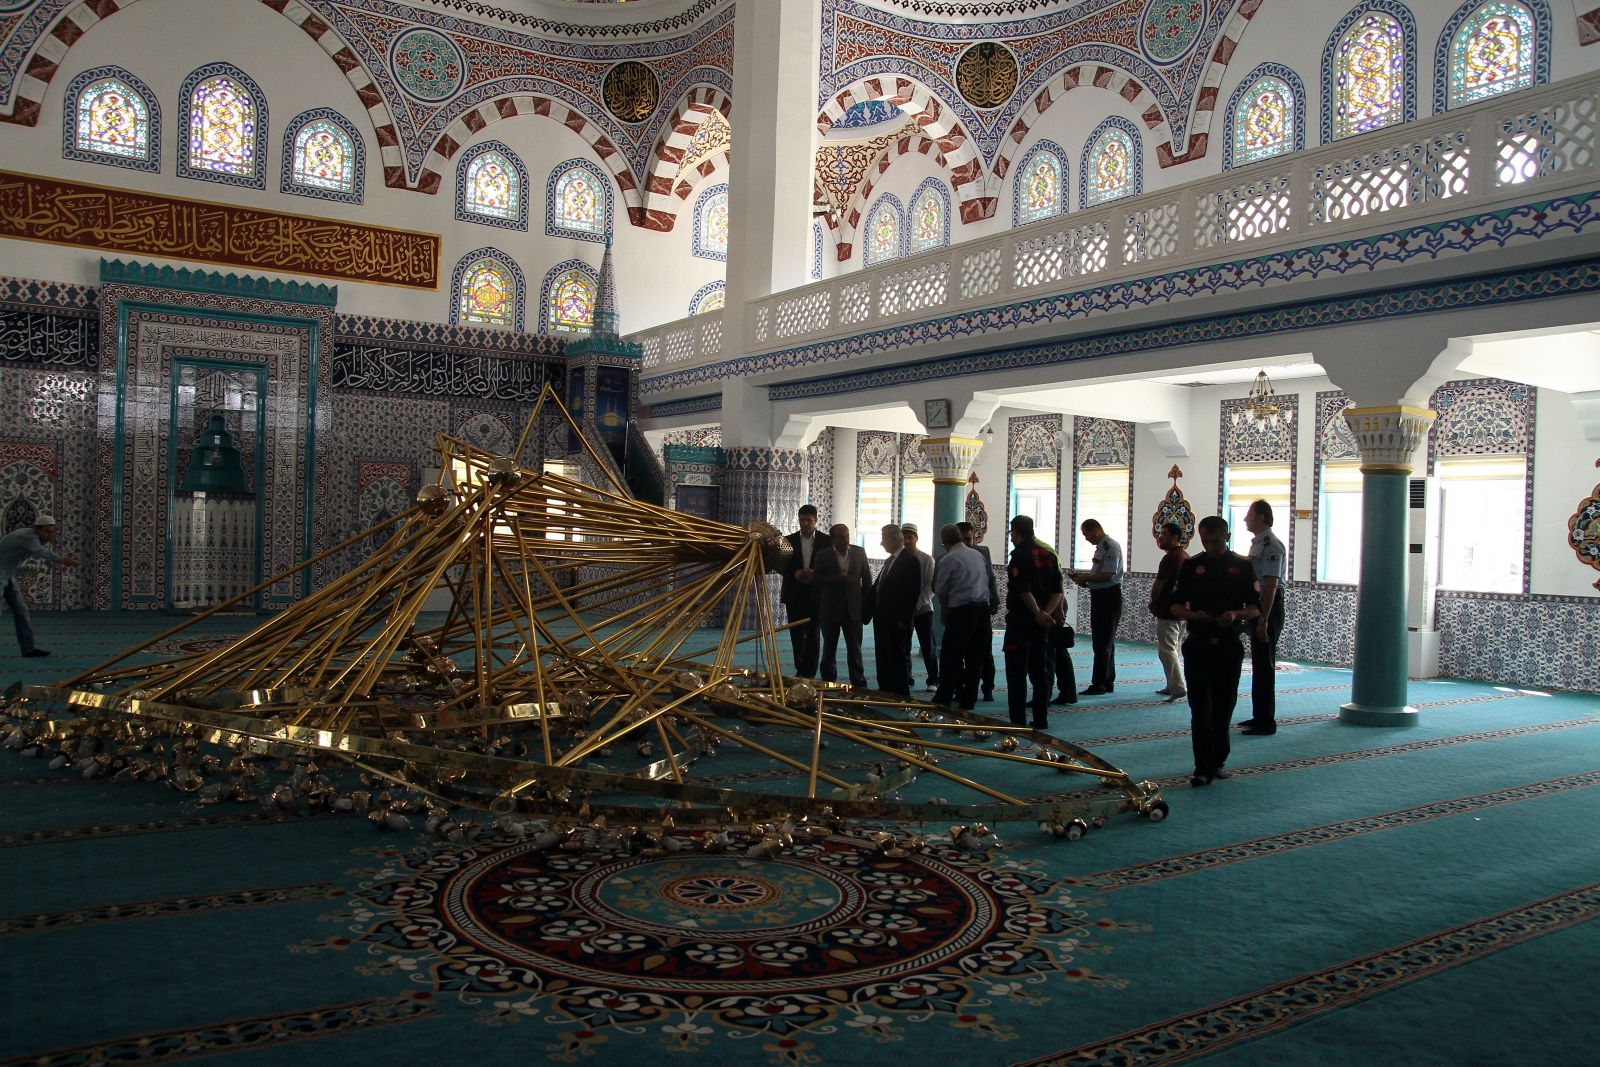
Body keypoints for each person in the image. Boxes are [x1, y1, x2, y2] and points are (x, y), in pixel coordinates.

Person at [1170, 516, 1260, 787]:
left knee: (1223, 706)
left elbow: (1255, 607)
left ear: (1227, 537)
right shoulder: (1192, 565)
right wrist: (1191, 615)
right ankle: (1202, 767)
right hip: (1198, 644)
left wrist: (1236, 614)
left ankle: (1218, 761)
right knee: (1200, 707)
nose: (1210, 546)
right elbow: (1174, 606)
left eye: (1216, 541)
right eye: (1205, 541)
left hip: (1228, 646)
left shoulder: (1242, 566)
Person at [1003, 515, 1063, 730]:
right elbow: (1057, 589)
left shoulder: (1019, 555)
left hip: (1021, 622)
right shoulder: (1047, 553)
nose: (1011, 537)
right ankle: (1040, 718)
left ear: (1016, 532)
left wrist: (1037, 611)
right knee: (1040, 672)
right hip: (1042, 624)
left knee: (1016, 673)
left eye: (1012, 533)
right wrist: (1046, 613)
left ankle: (1017, 721)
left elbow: (1023, 590)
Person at [0, 514, 78, 657]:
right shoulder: (29, 537)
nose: (50, 535)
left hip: (7, 575)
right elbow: (41, 552)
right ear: (37, 528)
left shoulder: (33, 538)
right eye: (47, 531)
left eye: (52, 531)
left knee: (21, 611)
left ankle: (28, 649)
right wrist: (62, 560)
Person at [1239, 499, 1286, 736]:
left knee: (1264, 666)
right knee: (1258, 665)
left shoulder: (1272, 545)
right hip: (1259, 607)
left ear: (1260, 517)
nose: (1245, 518)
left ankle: (1266, 721)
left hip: (1269, 607)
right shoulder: (1259, 543)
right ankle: (1259, 716)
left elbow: (1270, 586)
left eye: (1249, 514)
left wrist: (1264, 620)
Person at [930, 523, 990, 709]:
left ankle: (944, 698)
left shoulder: (949, 559)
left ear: (943, 541)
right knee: (975, 659)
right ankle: (968, 700)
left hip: (962, 613)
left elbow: (940, 590)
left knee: (951, 659)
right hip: (982, 612)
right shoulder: (977, 555)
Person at [1068, 519, 1124, 695]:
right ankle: (1107, 681)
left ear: (1096, 531)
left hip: (1108, 598)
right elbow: (1098, 575)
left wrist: (1086, 578)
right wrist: (1085, 578)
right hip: (1101, 597)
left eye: (1086, 534)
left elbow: (1107, 576)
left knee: (1102, 643)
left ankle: (1099, 684)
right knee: (1105, 642)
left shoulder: (1110, 546)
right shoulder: (1101, 547)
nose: (1086, 538)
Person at [813, 523, 871, 688]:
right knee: (829, 649)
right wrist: (837, 579)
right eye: (841, 537)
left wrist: (866, 608)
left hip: (853, 610)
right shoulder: (823, 555)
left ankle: (858, 682)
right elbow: (816, 580)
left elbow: (867, 580)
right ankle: (829, 682)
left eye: (847, 536)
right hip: (830, 610)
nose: (845, 540)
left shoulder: (859, 552)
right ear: (833, 539)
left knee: (855, 649)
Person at [870, 524, 921, 697]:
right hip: (882, 617)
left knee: (897, 656)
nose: (881, 543)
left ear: (894, 539)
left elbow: (912, 593)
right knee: (883, 653)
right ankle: (885, 687)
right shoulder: (890, 560)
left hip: (896, 619)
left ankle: (900, 691)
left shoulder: (910, 561)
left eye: (884, 538)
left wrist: (904, 620)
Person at [779, 504, 824, 678]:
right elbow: (781, 565)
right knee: (796, 634)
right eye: (802, 520)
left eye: (809, 520)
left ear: (816, 520)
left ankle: (810, 672)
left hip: (816, 594)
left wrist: (816, 573)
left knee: (813, 634)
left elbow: (829, 567)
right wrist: (795, 573)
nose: (805, 523)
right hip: (794, 594)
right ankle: (800, 668)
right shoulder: (788, 540)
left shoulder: (825, 541)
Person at [957, 521, 999, 701]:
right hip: (961, 610)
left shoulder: (983, 552)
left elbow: (990, 576)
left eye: (969, 539)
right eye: (963, 540)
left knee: (985, 652)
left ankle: (988, 688)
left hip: (981, 608)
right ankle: (961, 689)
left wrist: (994, 598)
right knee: (961, 652)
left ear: (974, 537)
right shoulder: (953, 554)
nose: (966, 543)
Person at [1148, 521, 1189, 702]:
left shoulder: (1171, 557)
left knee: (1167, 651)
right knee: (1174, 649)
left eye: (1164, 534)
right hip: (1180, 611)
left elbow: (1160, 584)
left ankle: (1178, 687)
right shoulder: (1184, 556)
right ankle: (1171, 684)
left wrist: (1154, 601)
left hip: (1169, 611)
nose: (1160, 538)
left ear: (1174, 537)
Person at [900, 524, 939, 690]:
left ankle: (933, 680)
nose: (907, 541)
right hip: (904, 612)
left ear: (916, 538)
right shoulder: (899, 559)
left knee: (927, 646)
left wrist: (915, 605)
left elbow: (931, 586)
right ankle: (907, 678)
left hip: (923, 610)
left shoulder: (926, 559)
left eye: (910, 537)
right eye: (904, 538)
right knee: (904, 646)